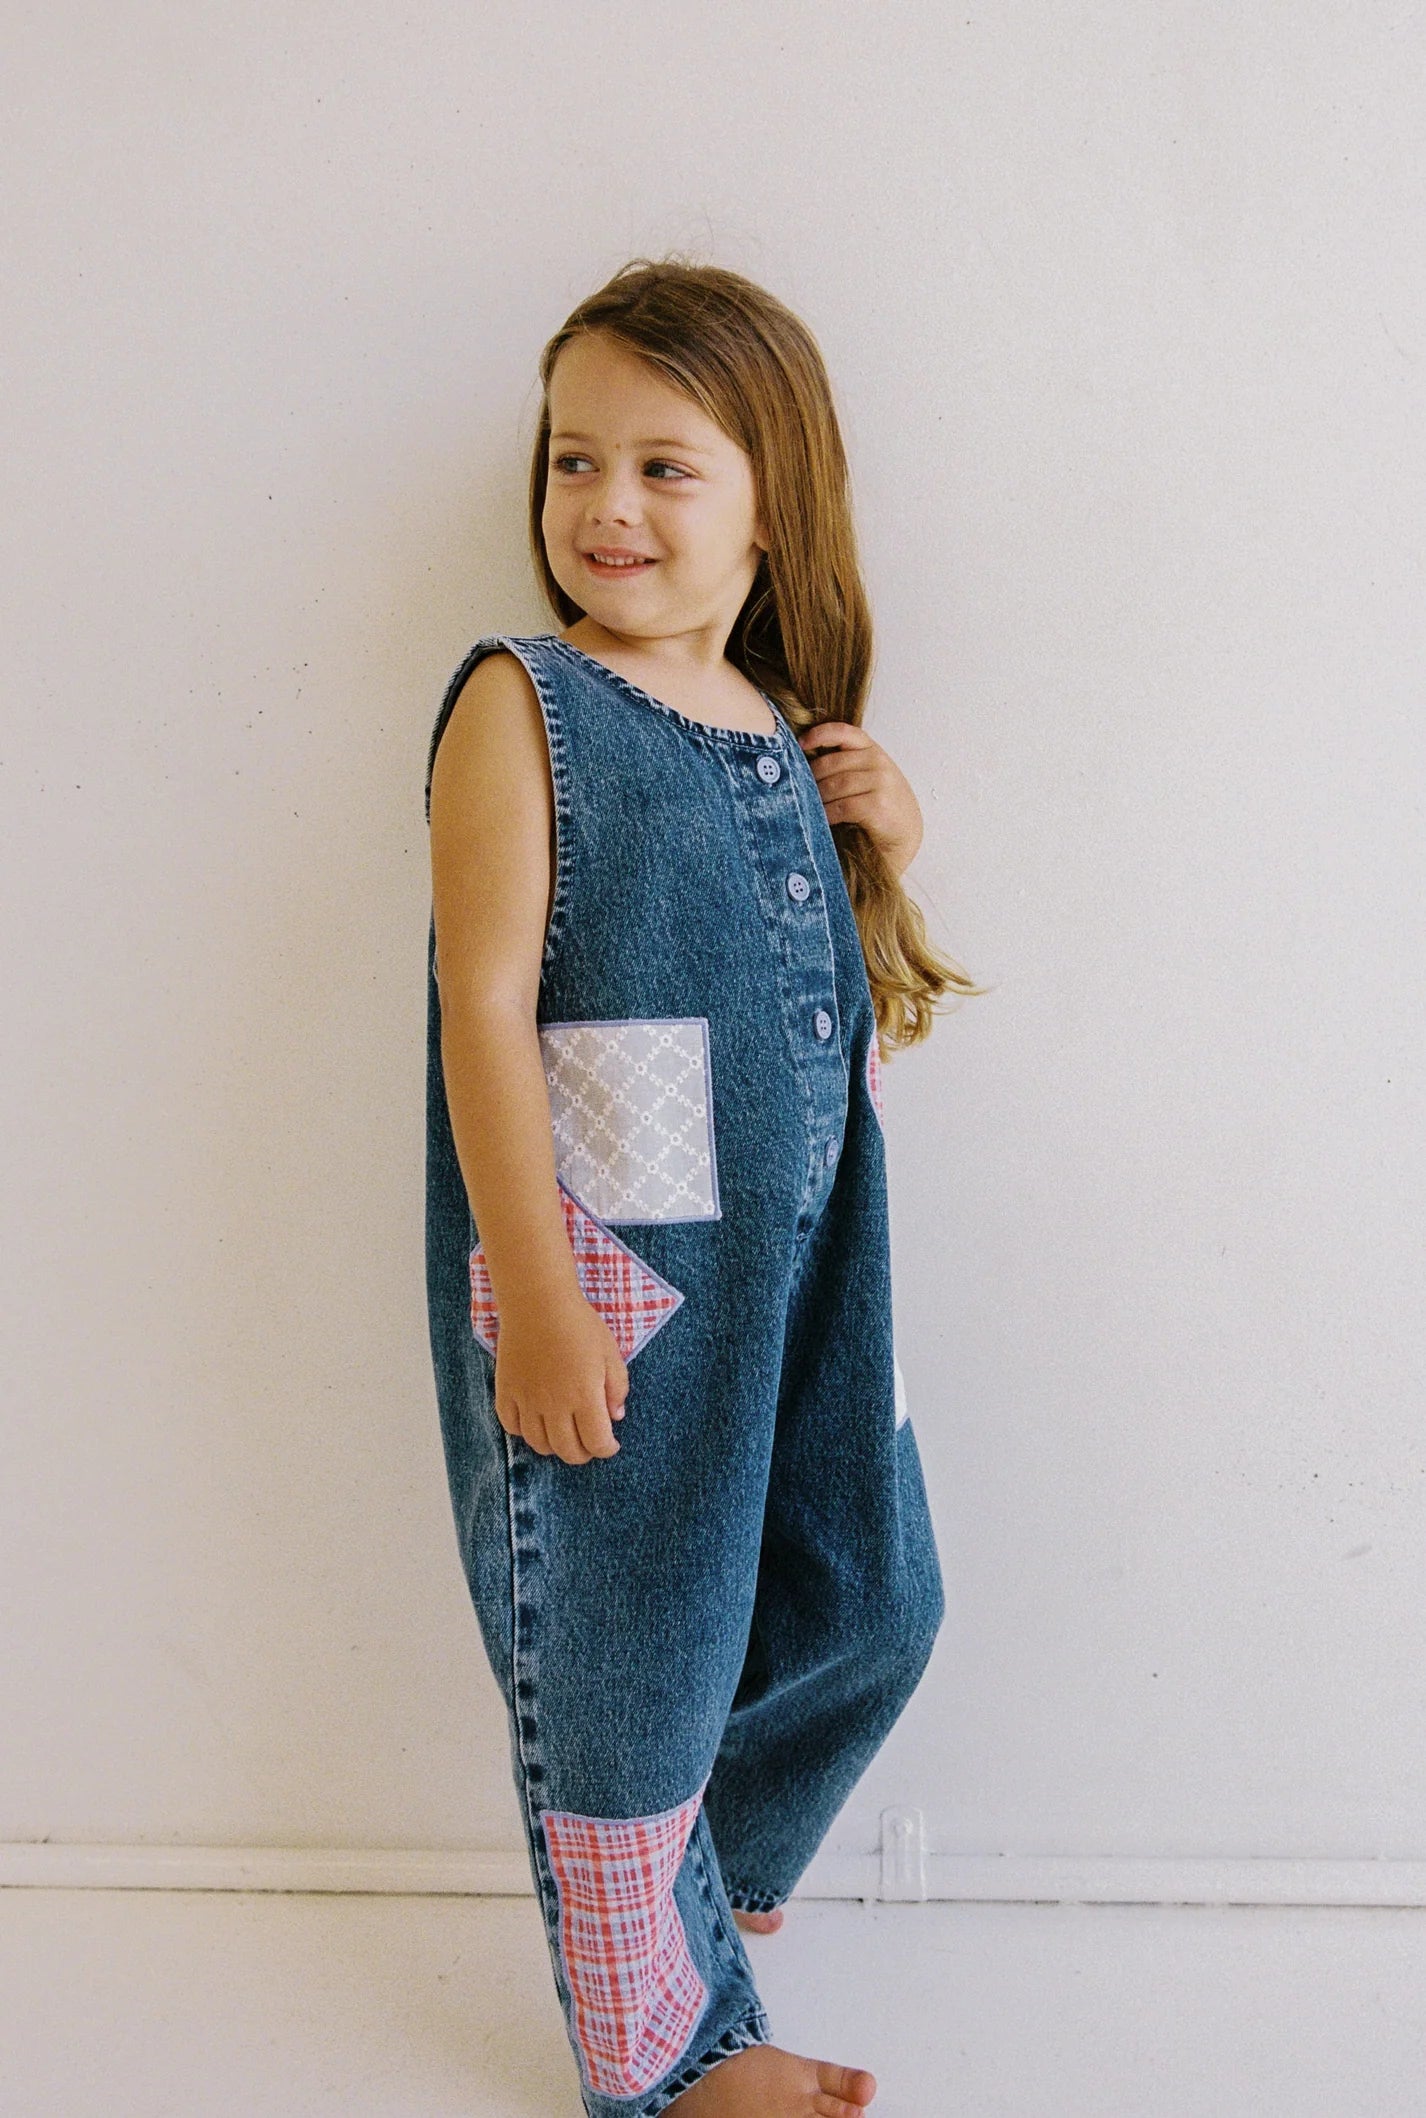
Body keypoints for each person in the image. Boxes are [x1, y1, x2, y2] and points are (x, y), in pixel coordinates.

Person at [424, 257, 984, 2118]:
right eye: (577, 461)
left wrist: (886, 837)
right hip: (610, 1273)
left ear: (772, 498)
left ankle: (682, 1922)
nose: (605, 507)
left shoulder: (774, 719)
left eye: (666, 467)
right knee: (635, 1666)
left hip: (814, 1269)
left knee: (870, 1602)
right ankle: (661, 2052)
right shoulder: (532, 703)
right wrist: (539, 1286)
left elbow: (838, 1008)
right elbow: (481, 1000)